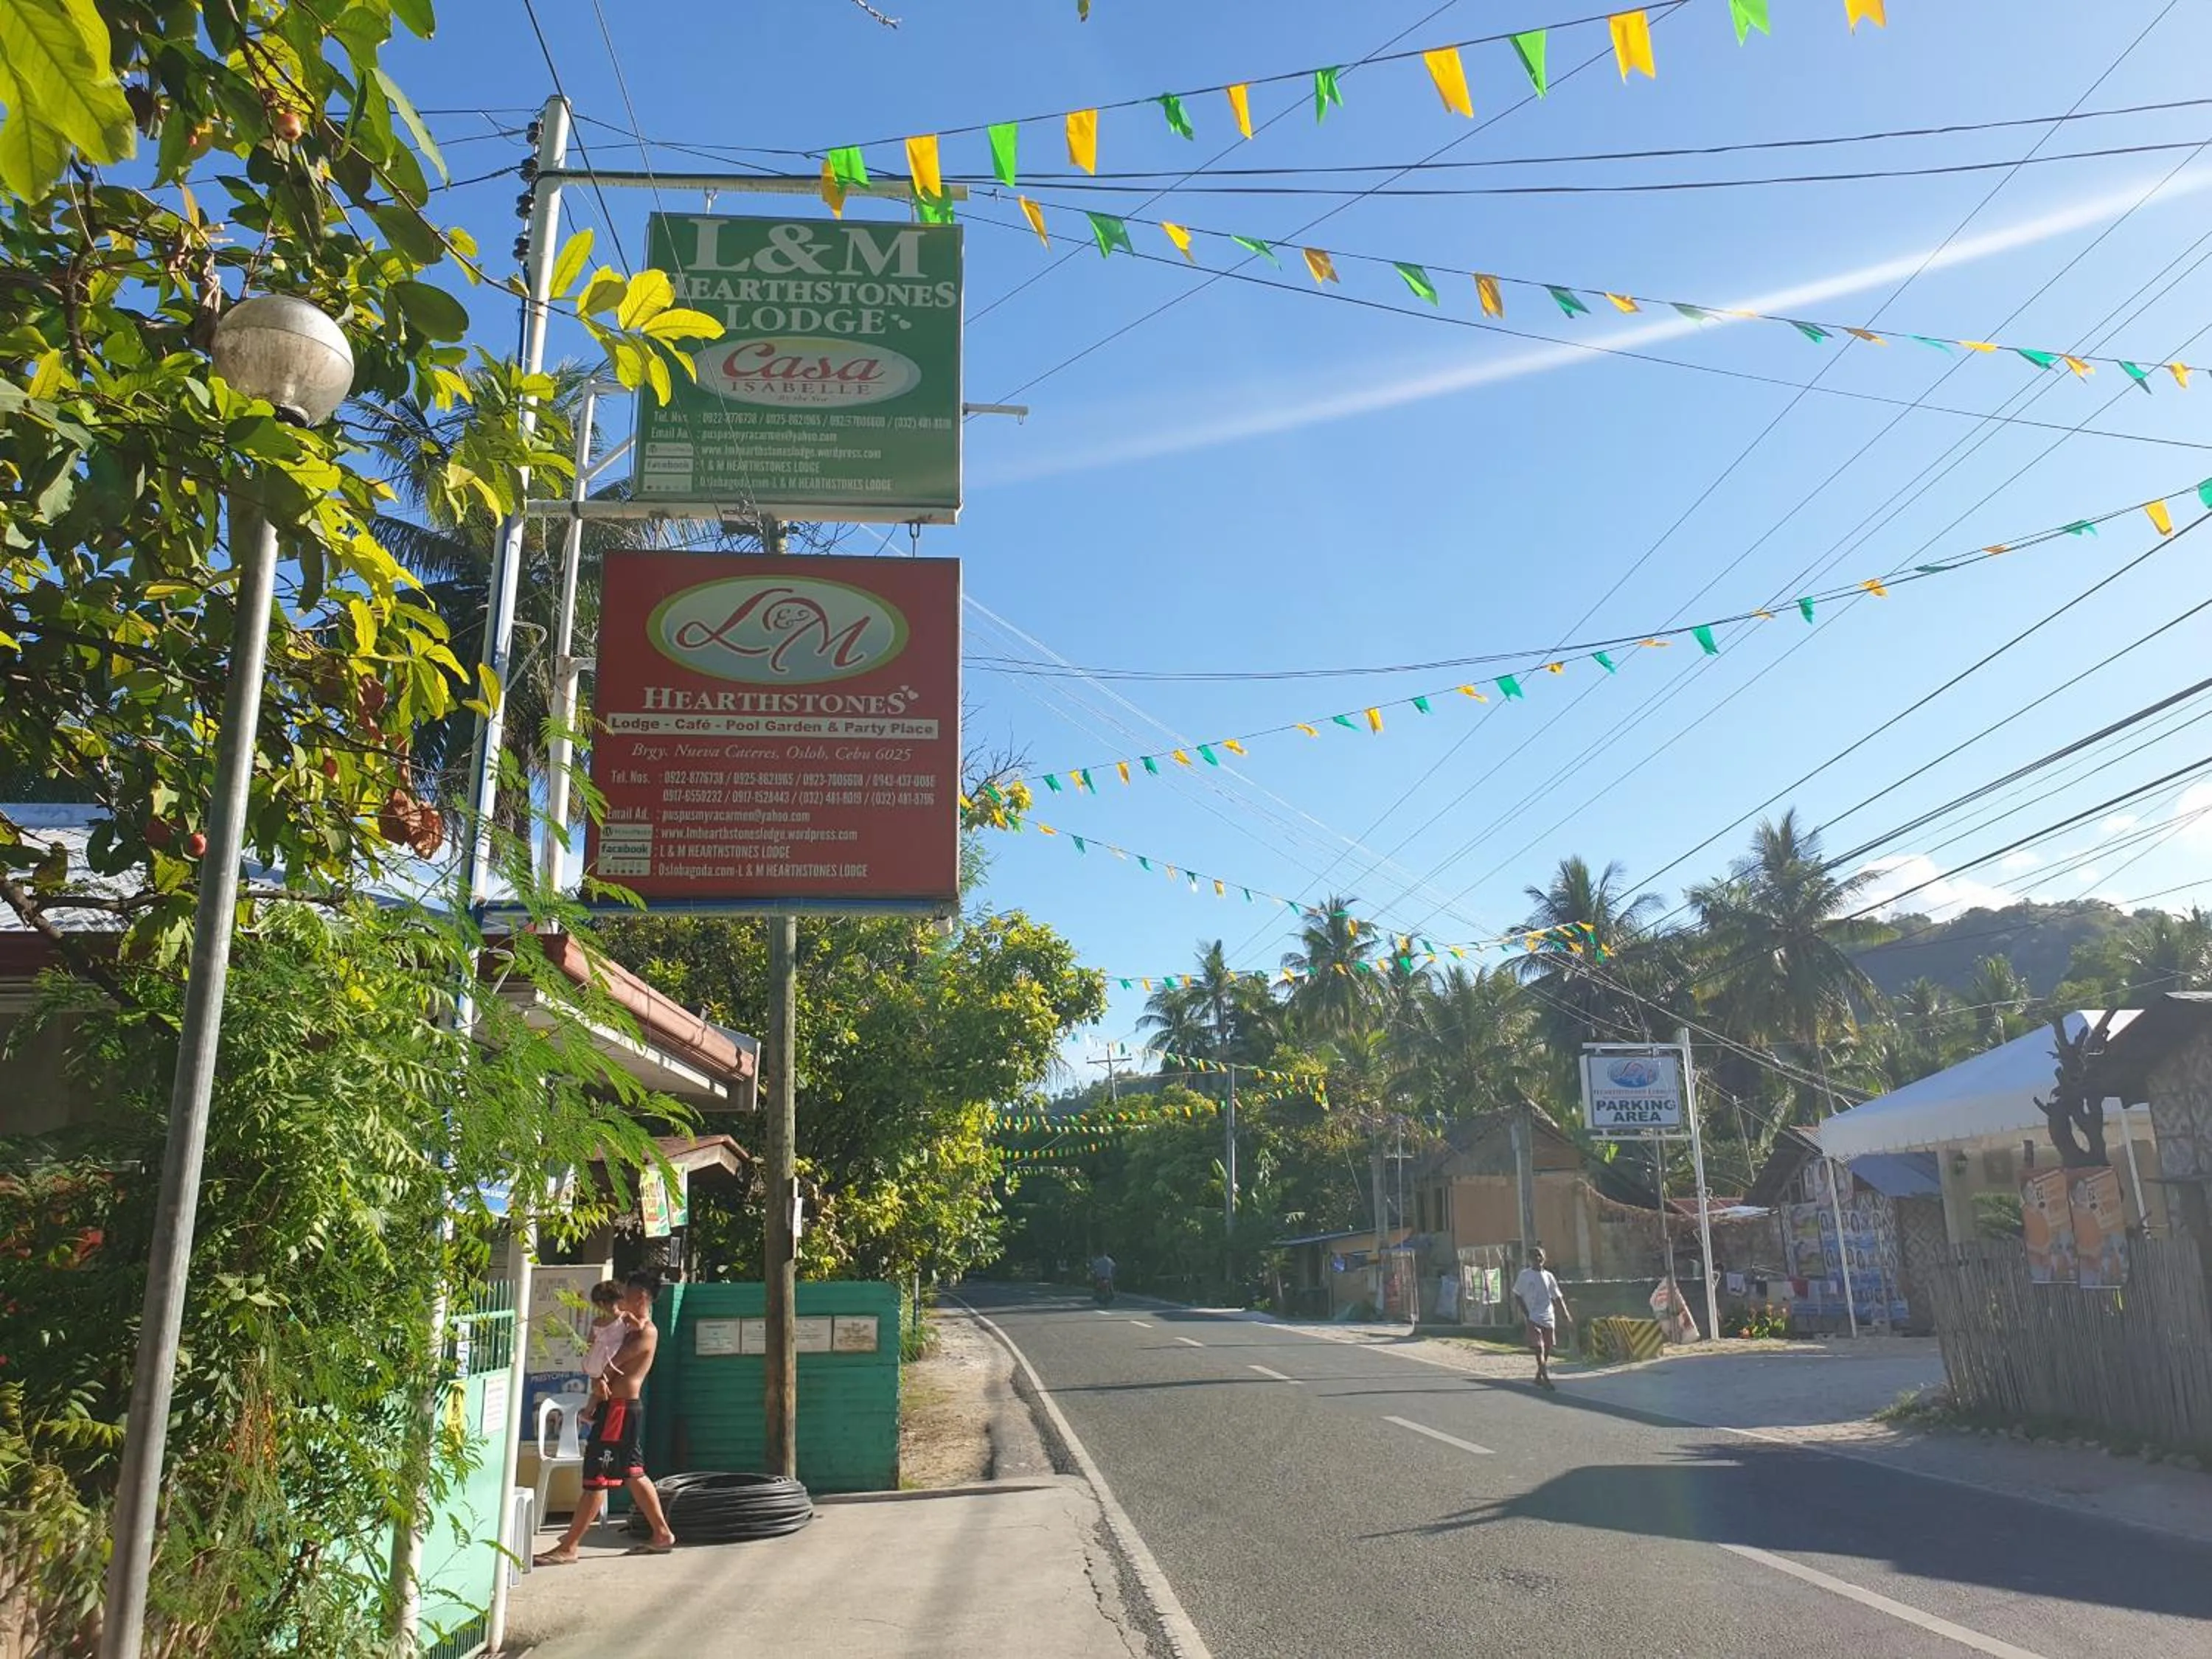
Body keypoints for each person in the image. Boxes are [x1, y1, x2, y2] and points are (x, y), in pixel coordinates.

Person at [535, 1271, 677, 1562]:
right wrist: (595, 1388)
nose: (620, 1299)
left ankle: (569, 1547)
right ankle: (662, 1534)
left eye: (625, 1294)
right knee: (633, 1473)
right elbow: (601, 1360)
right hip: (614, 1407)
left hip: (620, 1409)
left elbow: (614, 1363)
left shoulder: (646, 1331)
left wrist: (599, 1379)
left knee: (597, 1478)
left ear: (640, 1297)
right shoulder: (623, 1328)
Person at [1513, 1246, 1573, 1391]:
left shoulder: (1549, 1276)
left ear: (1544, 1258)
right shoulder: (1525, 1275)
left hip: (1548, 1316)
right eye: (1535, 1256)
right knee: (1538, 1348)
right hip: (1533, 1317)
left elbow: (1557, 1296)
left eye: (1540, 1256)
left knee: (1547, 1348)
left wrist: (1565, 1313)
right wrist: (1526, 1313)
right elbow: (1517, 1294)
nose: (1538, 1259)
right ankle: (1545, 1378)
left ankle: (1539, 1376)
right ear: (1530, 1259)